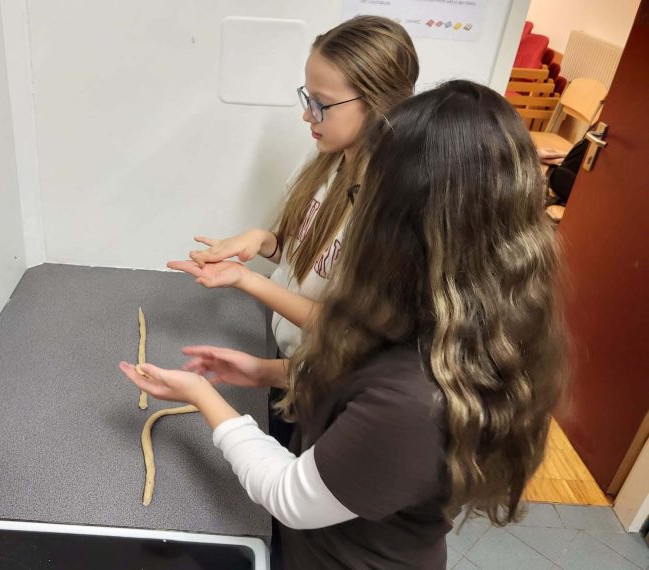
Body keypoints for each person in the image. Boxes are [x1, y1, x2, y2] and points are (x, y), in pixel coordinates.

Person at [120, 80, 568, 569]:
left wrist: (203, 396)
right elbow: (362, 374)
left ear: (403, 223)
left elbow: (289, 494)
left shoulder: (417, 400)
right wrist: (266, 372)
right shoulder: (429, 312)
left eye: (367, 196)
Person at [168, 15, 419, 448]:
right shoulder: (325, 158)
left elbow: (347, 328)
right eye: (307, 96)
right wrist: (262, 241)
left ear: (378, 102)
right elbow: (304, 252)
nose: (307, 114)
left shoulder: (393, 205)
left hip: (335, 385)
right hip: (291, 365)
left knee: (296, 492)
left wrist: (244, 280)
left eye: (321, 102)